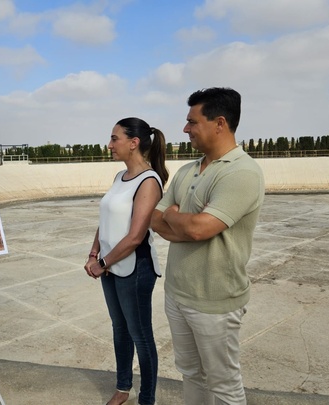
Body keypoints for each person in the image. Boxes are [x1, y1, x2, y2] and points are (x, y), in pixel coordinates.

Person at [151, 87, 265, 405]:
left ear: (219, 123)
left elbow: (202, 229)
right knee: (191, 373)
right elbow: (155, 219)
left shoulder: (242, 172)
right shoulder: (188, 170)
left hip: (215, 303)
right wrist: (184, 222)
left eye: (192, 121)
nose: (185, 129)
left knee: (224, 384)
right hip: (177, 294)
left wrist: (178, 218)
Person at [85, 117, 169, 405]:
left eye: (114, 139)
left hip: (135, 269)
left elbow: (135, 237)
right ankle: (123, 388)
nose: (109, 145)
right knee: (119, 329)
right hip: (109, 266)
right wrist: (94, 254)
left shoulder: (149, 181)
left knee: (141, 336)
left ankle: (146, 398)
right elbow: (105, 220)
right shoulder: (119, 178)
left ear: (134, 143)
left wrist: (103, 262)